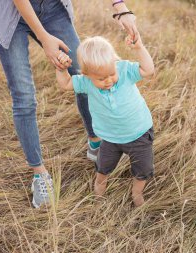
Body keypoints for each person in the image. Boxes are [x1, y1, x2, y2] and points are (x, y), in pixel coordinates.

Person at [0, 0, 138, 208]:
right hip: (8, 15)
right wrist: (43, 36)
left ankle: (95, 142)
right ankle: (39, 174)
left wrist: (121, 9)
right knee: (24, 97)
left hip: (52, 8)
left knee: (85, 72)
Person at [55, 35, 155, 207]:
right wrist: (62, 69)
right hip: (109, 137)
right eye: (101, 79)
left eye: (111, 74)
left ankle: (137, 193)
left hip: (139, 133)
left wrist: (138, 48)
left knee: (143, 170)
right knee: (103, 167)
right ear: (86, 75)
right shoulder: (86, 82)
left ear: (115, 63)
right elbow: (65, 84)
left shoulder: (124, 70)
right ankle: (99, 190)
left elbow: (148, 70)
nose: (108, 80)